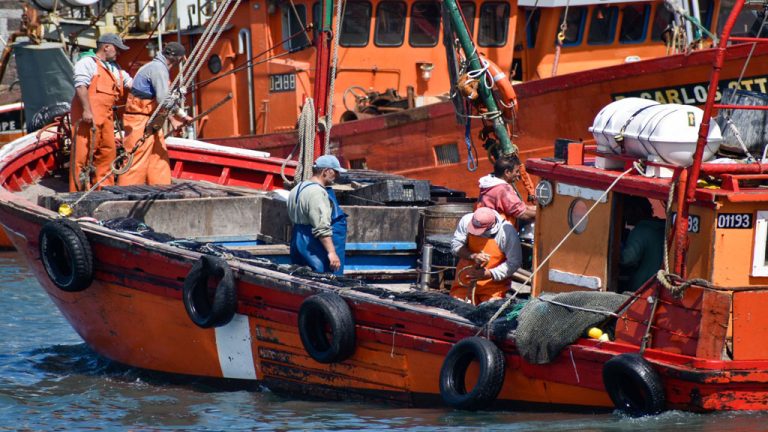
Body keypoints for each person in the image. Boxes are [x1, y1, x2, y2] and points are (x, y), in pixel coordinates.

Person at [118, 42, 193, 186]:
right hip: (139, 121)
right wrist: (182, 115)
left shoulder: (154, 67)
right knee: (136, 160)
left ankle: (161, 188)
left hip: (150, 121)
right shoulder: (159, 69)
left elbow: (159, 101)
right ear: (178, 59)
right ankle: (126, 192)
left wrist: (173, 119)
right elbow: (163, 99)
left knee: (158, 157)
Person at [69, 33, 132, 192]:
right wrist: (86, 110)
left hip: (106, 119)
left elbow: (132, 84)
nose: (119, 53)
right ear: (106, 47)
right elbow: (80, 86)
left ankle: (104, 191)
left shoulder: (116, 69)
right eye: (117, 49)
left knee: (107, 154)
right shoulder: (87, 63)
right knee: (82, 157)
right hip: (87, 119)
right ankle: (78, 193)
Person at [287, 155, 349, 275]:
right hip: (313, 246)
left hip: (297, 241)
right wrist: (332, 253)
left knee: (301, 276)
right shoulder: (317, 193)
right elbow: (321, 228)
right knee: (322, 280)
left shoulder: (297, 188)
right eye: (335, 172)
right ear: (326, 171)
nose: (337, 176)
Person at [451, 207, 522, 304]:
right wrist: (472, 256)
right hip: (464, 283)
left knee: (490, 310)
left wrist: (489, 274)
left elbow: (514, 263)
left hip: (493, 288)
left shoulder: (507, 233)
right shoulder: (466, 220)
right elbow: (456, 246)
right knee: (456, 308)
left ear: (491, 225)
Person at [620, 196, 666, 292]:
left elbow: (627, 259)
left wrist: (619, 248)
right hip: (659, 287)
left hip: (642, 287)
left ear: (637, 210)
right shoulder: (662, 227)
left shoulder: (641, 230)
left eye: (626, 210)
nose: (624, 215)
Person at [477, 154, 535, 226]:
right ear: (507, 172)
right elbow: (522, 213)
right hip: (500, 229)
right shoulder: (503, 189)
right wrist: (543, 215)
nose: (518, 174)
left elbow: (519, 207)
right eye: (516, 171)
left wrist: (537, 209)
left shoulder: (489, 185)